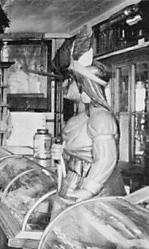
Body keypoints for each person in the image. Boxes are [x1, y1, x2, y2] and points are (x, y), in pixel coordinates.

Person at [51, 27, 125, 210]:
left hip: (98, 194)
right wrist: (60, 153)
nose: (66, 85)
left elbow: (106, 159)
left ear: (85, 87)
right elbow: (76, 154)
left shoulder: (101, 118)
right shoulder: (82, 117)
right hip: (76, 182)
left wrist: (88, 191)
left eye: (71, 81)